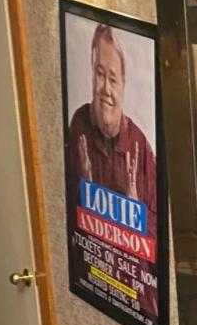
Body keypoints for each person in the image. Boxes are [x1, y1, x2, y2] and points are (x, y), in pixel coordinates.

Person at [68, 23, 158, 226]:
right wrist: (85, 189)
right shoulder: (79, 126)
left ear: (123, 84)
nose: (106, 89)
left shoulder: (139, 146)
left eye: (113, 79)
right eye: (100, 74)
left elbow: (157, 236)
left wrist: (134, 207)